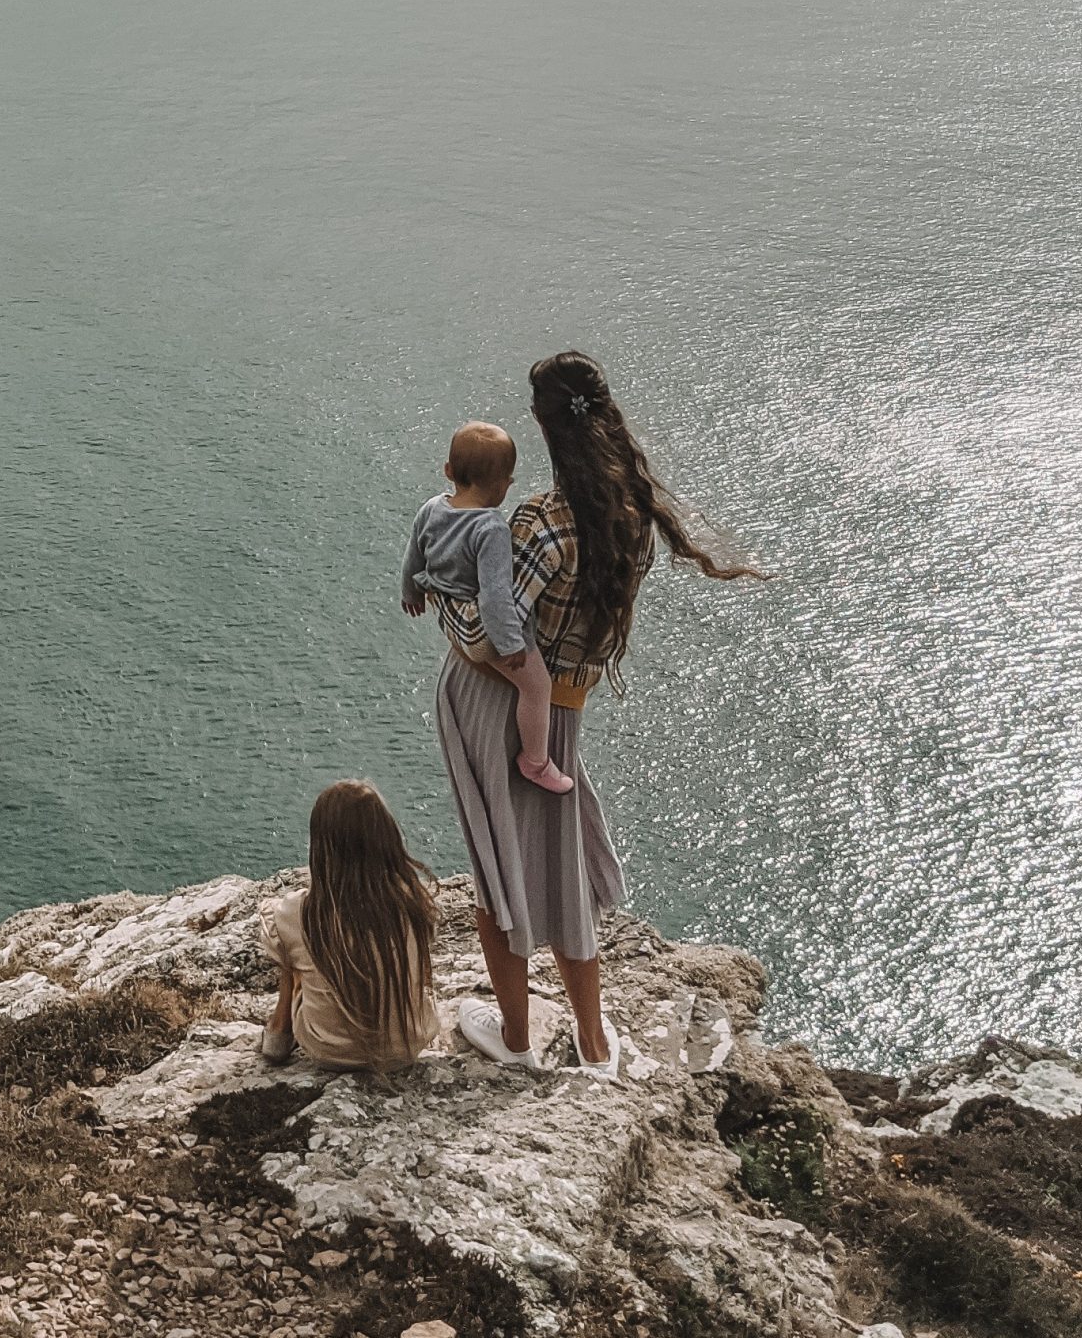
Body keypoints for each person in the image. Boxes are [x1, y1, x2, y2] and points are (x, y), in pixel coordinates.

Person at [422, 352, 762, 1077]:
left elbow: (492, 634)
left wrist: (446, 609)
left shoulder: (540, 522)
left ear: (545, 428)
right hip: (562, 712)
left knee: (497, 868)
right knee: (560, 866)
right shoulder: (629, 518)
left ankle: (515, 1038)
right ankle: (593, 1040)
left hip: (492, 708)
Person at [401, 420, 574, 794]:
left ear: (449, 471)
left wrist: (410, 594)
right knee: (537, 687)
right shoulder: (491, 528)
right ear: (502, 487)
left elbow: (413, 554)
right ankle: (536, 762)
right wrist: (510, 643)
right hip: (483, 634)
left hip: (448, 617)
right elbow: (495, 595)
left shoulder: (431, 508)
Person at [257, 780, 443, 1069]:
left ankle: (280, 1031)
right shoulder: (414, 902)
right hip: (406, 1049)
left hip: (329, 1052)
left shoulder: (299, 912)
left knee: (294, 960)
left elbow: (278, 929)